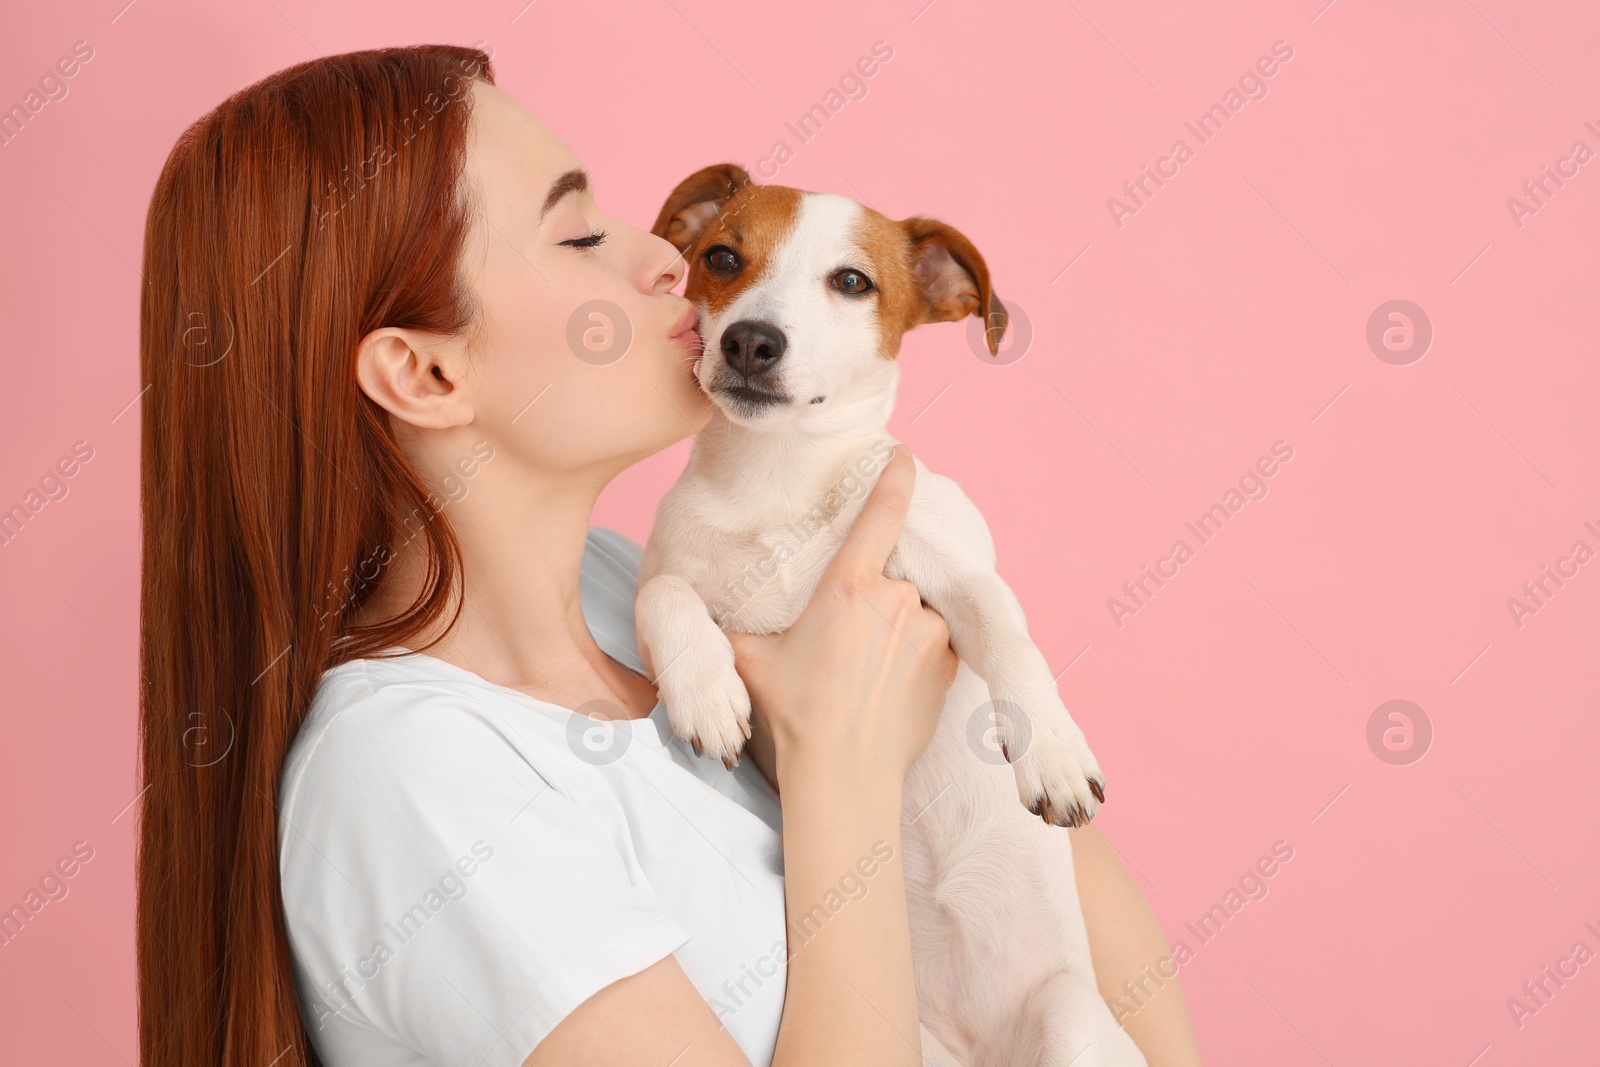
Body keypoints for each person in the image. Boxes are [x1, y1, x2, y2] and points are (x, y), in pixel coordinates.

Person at [135, 44, 1203, 1067]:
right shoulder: (416, 784)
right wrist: (840, 766)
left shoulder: (622, 585)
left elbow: (1052, 856)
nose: (669, 259)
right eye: (576, 235)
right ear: (424, 372)